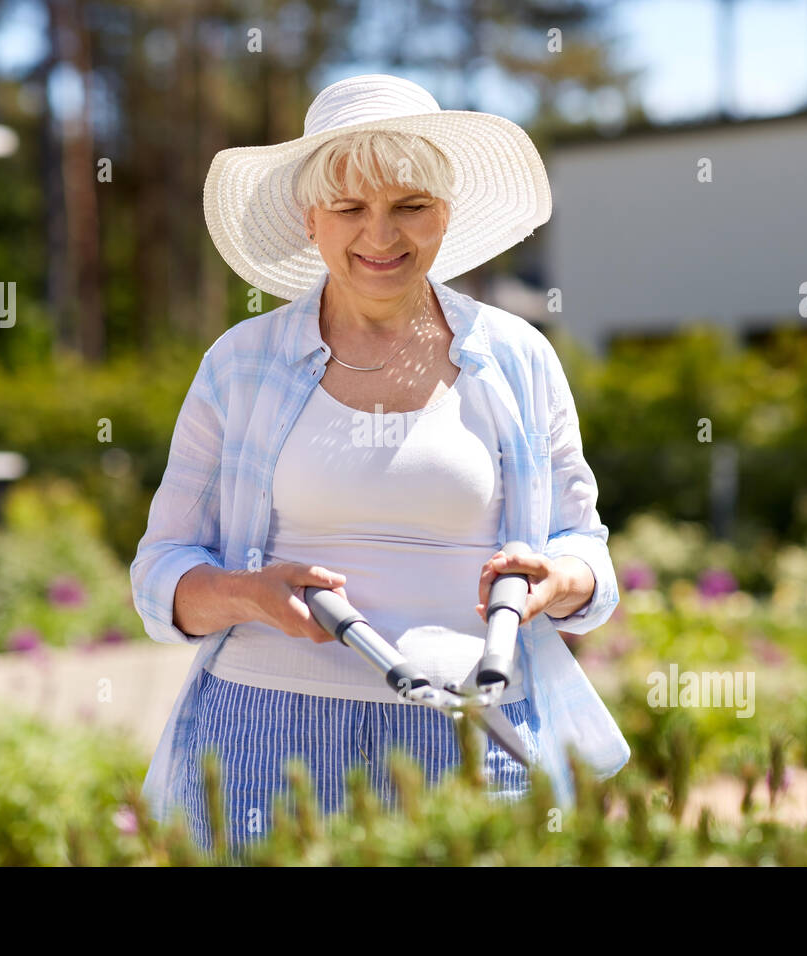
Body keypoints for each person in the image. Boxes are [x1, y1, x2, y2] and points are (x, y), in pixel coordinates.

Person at [131, 73, 630, 854]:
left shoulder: (517, 358)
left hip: (474, 732)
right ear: (310, 221)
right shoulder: (240, 364)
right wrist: (247, 595)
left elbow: (585, 552)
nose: (381, 236)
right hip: (264, 735)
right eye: (350, 209)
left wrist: (559, 580)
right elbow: (161, 573)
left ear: (445, 214)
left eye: (409, 207)